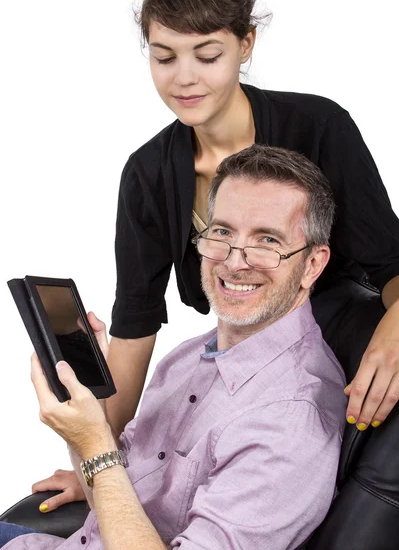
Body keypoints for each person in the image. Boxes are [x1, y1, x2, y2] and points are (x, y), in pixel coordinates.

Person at [33, 0, 399, 511]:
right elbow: (134, 327)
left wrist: (397, 330)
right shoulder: (148, 173)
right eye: (163, 57)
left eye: (207, 55)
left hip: (324, 364)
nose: (184, 78)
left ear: (245, 45)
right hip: (244, 364)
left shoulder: (320, 126)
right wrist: (97, 459)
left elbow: (393, 263)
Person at [1, 145, 347, 549]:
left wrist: (95, 442)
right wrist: (85, 417)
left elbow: (105, 465)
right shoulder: (189, 357)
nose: (235, 262)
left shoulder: (290, 422)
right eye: (222, 232)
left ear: (312, 265)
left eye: (267, 240)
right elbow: (109, 497)